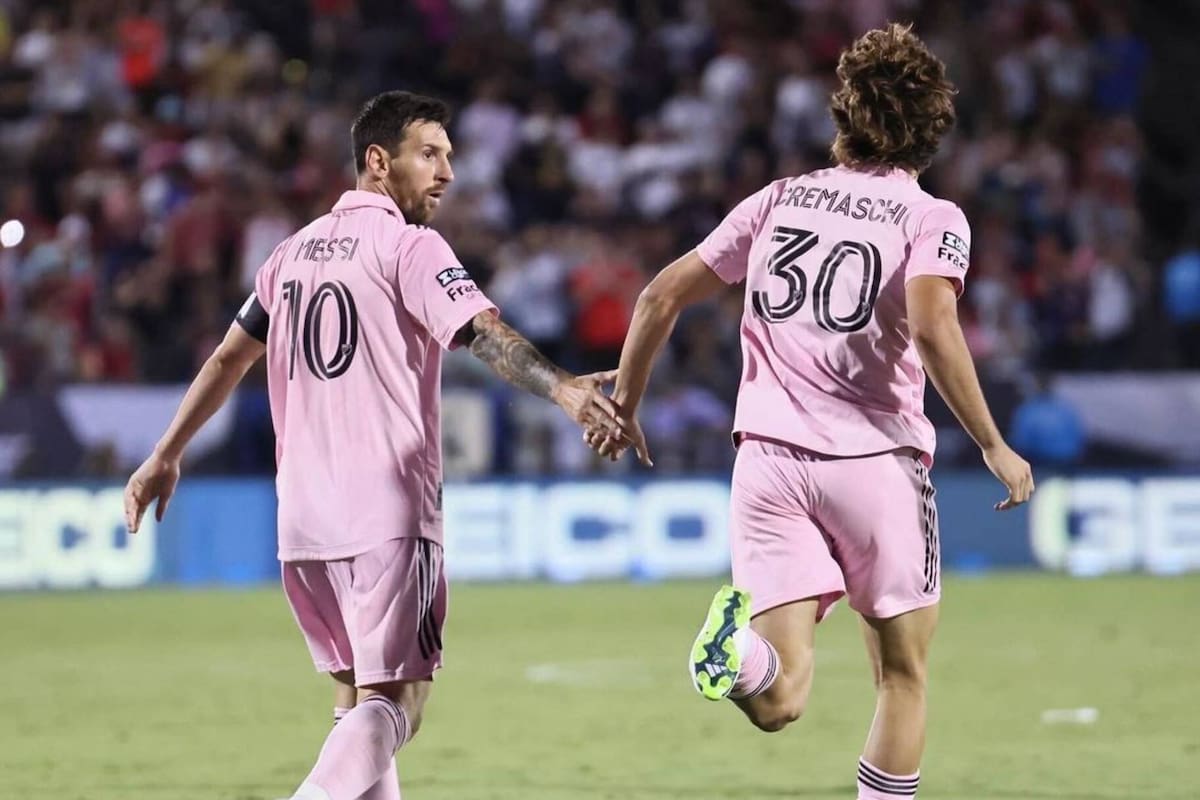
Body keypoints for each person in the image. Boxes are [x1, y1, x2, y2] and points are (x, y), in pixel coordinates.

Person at [123, 90, 625, 800]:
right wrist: (566, 388)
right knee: (400, 706)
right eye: (430, 155)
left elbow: (227, 360)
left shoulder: (288, 255)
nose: (447, 172)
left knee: (357, 705)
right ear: (378, 161)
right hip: (386, 508)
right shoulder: (410, 246)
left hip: (302, 515)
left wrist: (165, 452)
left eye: (450, 155)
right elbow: (480, 331)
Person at [588, 24, 1034, 800]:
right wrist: (993, 442)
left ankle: (741, 658)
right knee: (902, 678)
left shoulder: (778, 200)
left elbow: (660, 294)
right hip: (875, 465)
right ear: (931, 132)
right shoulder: (931, 218)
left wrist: (624, 402)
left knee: (781, 695)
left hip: (765, 465)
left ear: (844, 117)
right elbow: (932, 325)